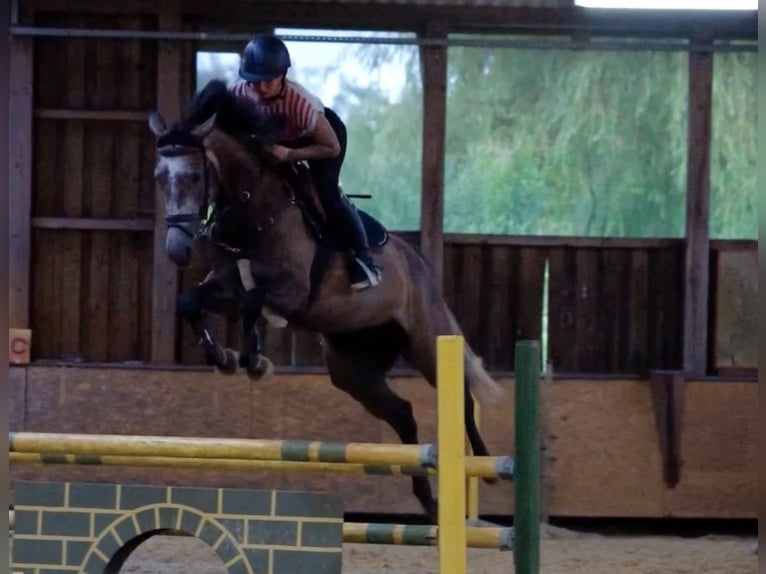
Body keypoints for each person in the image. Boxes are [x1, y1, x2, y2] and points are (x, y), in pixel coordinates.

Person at [228, 34, 381, 291]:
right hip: (277, 140)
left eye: (268, 81)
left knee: (327, 192)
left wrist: (289, 155)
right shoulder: (238, 95)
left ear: (283, 76)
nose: (261, 88)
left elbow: (331, 148)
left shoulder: (301, 104)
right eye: (254, 82)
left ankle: (365, 261)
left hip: (322, 141)